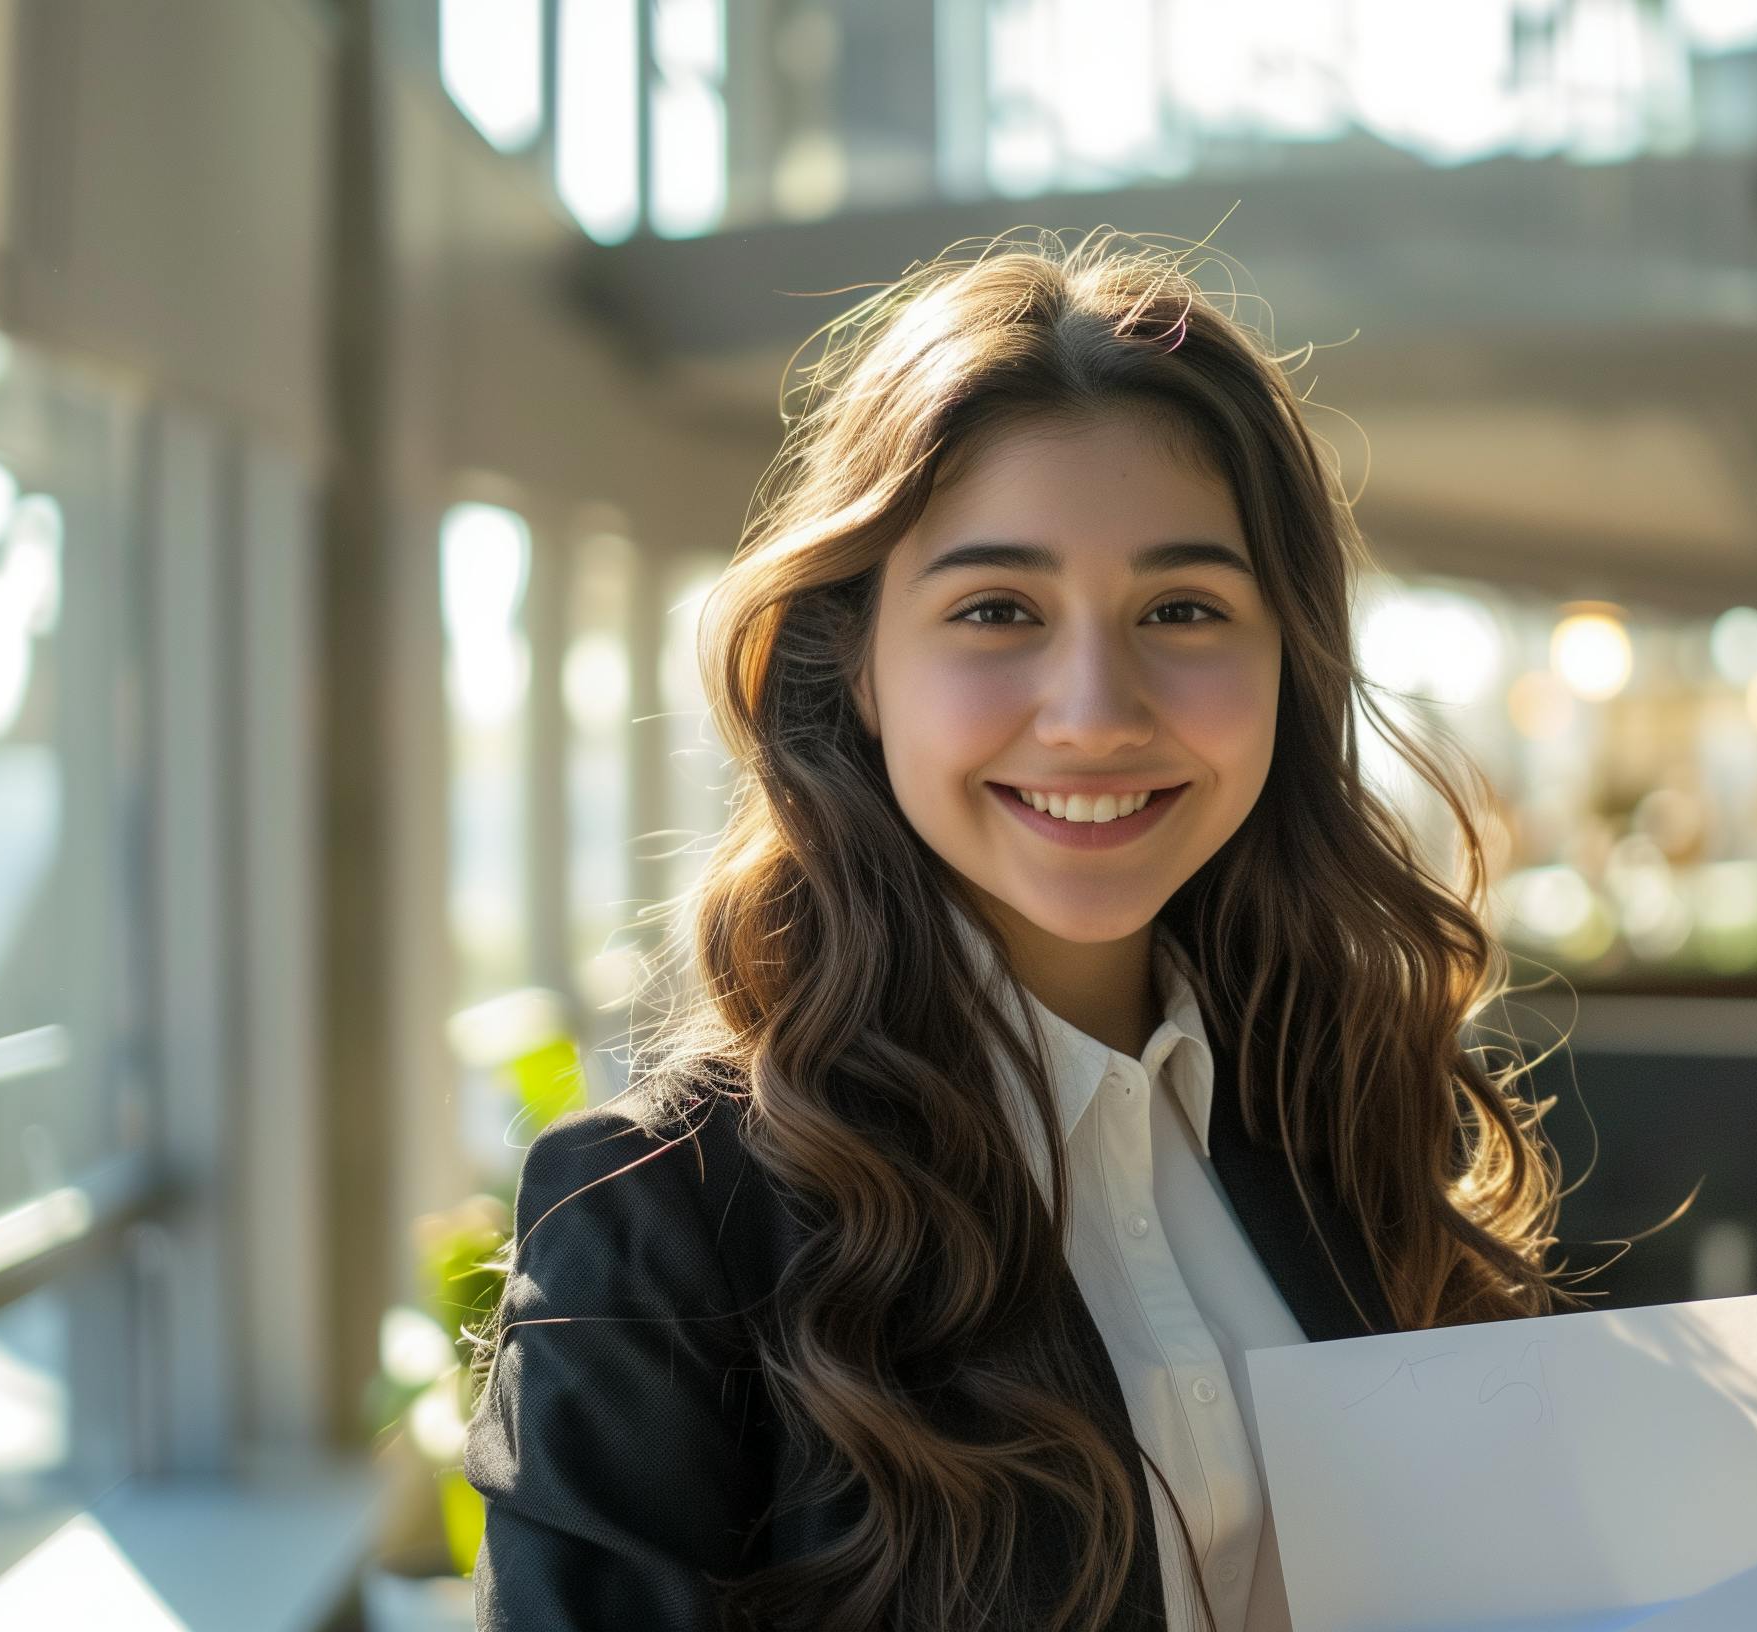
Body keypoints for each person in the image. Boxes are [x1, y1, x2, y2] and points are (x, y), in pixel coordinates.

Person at [461, 228, 1583, 1632]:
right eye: (998, 609)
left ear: (1287, 663)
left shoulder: (1338, 1114)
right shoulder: (662, 1224)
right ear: (855, 665)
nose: (1097, 708)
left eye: (1183, 607)